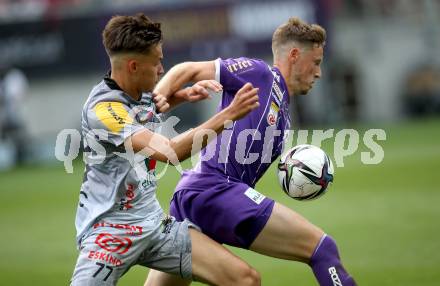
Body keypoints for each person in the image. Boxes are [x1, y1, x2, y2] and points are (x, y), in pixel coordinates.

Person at [146, 17, 356, 286]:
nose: (319, 73)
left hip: (198, 198)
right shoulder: (261, 74)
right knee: (321, 248)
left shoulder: (283, 112)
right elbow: (185, 70)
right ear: (294, 55)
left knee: (243, 282)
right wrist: (153, 103)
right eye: (315, 63)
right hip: (213, 189)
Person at [70, 13, 263, 286]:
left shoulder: (137, 92)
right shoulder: (103, 110)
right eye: (157, 61)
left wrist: (182, 95)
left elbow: (146, 111)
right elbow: (170, 151)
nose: (162, 70)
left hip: (154, 226)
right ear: (134, 66)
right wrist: (229, 114)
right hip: (109, 233)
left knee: (246, 280)